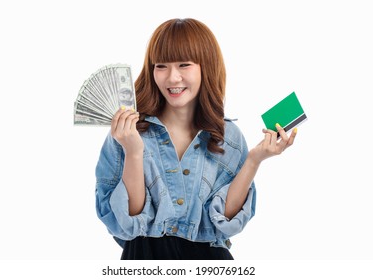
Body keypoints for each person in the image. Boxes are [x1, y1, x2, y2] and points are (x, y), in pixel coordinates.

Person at [95, 18, 297, 260]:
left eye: (184, 65)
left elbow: (225, 221)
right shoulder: (127, 131)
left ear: (205, 67)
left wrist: (254, 160)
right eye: (161, 66)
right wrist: (133, 152)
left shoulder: (228, 136)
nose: (172, 78)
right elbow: (129, 223)